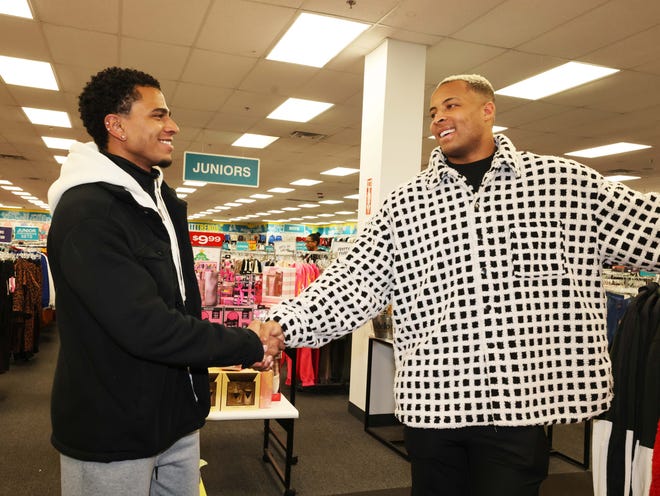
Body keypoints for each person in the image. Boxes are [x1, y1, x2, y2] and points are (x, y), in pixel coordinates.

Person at [261, 74, 660, 495]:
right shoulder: (406, 204)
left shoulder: (563, 185)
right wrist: (282, 324)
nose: (438, 119)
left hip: (522, 406)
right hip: (435, 402)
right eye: (433, 113)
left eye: (450, 106)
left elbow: (649, 228)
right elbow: (353, 279)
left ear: (488, 110)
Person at [46, 67, 284, 496]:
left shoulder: (162, 201)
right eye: (158, 115)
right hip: (112, 429)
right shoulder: (88, 212)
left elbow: (180, 306)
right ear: (115, 125)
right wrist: (249, 342)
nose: (172, 126)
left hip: (176, 418)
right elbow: (145, 326)